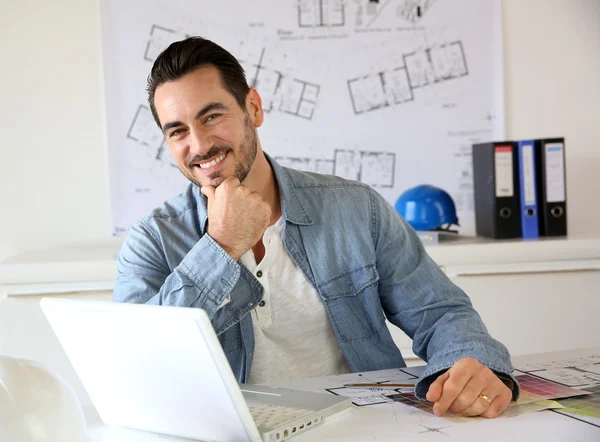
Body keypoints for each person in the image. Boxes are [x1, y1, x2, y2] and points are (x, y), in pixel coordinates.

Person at [113, 36, 519, 419]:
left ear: (252, 107)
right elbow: (136, 368)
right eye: (178, 131)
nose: (199, 145)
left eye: (212, 116)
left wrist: (476, 365)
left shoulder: (357, 208)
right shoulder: (151, 241)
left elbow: (441, 313)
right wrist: (221, 245)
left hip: (368, 425)